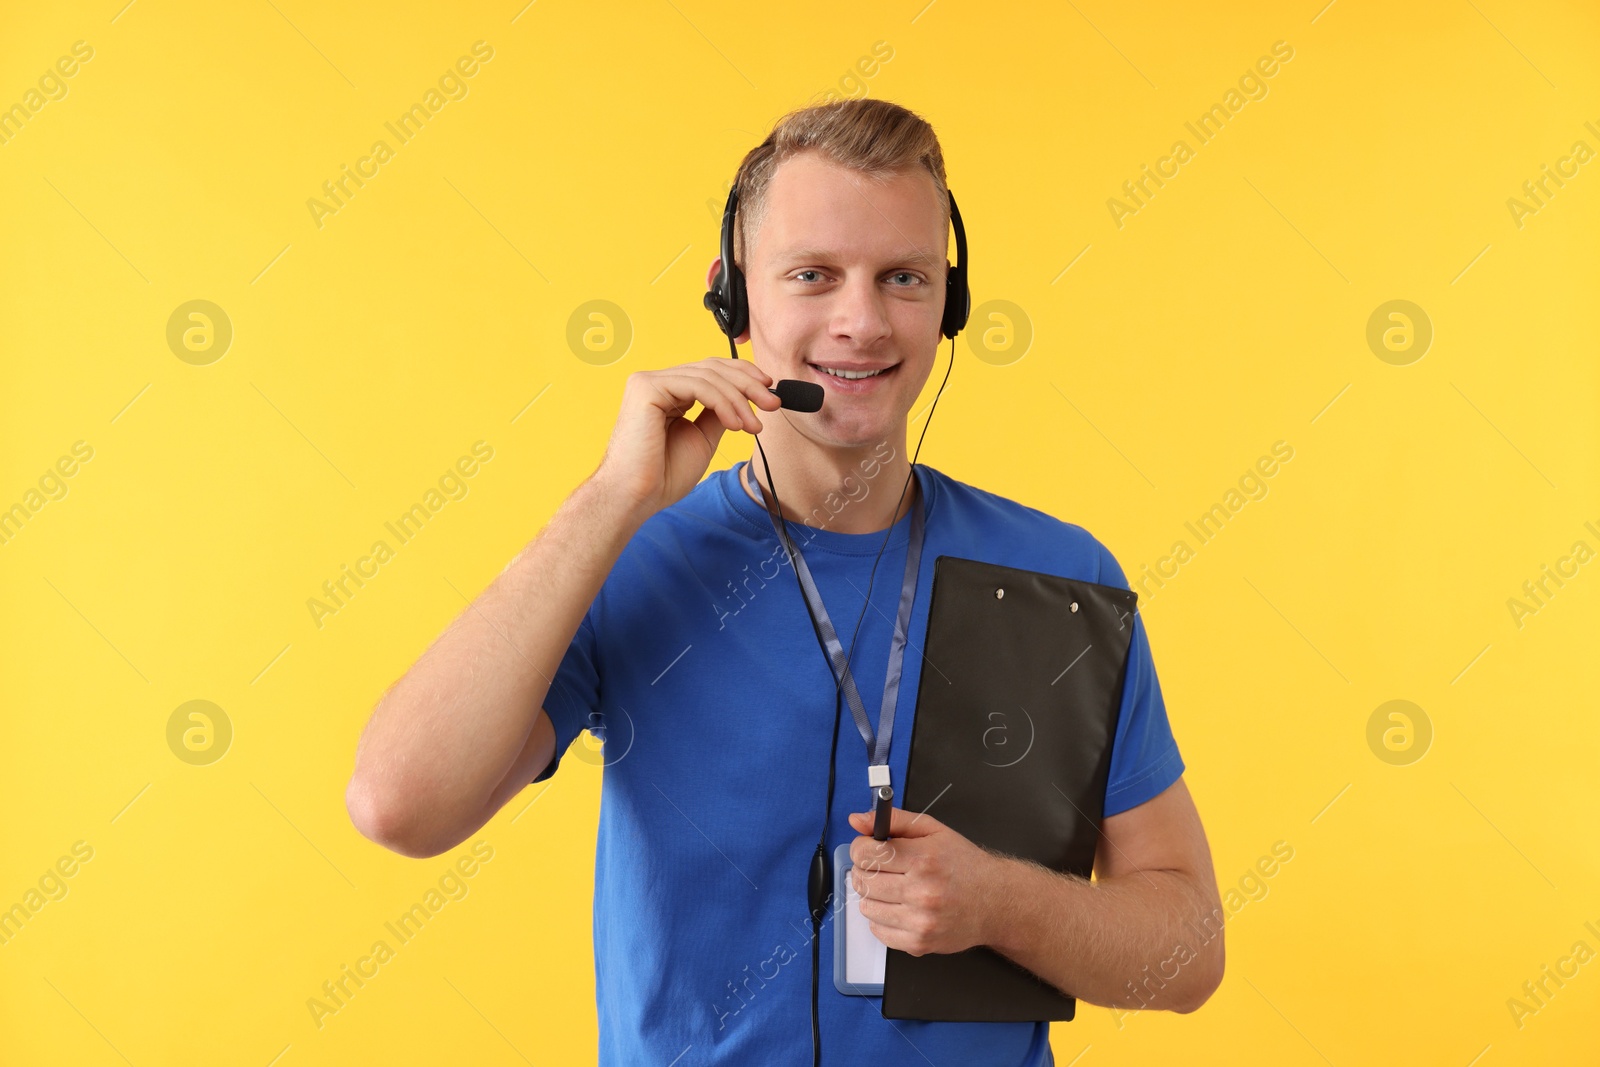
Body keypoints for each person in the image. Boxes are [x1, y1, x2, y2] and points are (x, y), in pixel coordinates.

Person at [346, 98, 1225, 1065]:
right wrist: (612, 496)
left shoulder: (1057, 574)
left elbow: (1186, 953)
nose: (862, 321)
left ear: (951, 303)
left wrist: (998, 901)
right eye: (813, 275)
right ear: (734, 298)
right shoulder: (632, 558)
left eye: (904, 277)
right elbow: (400, 805)